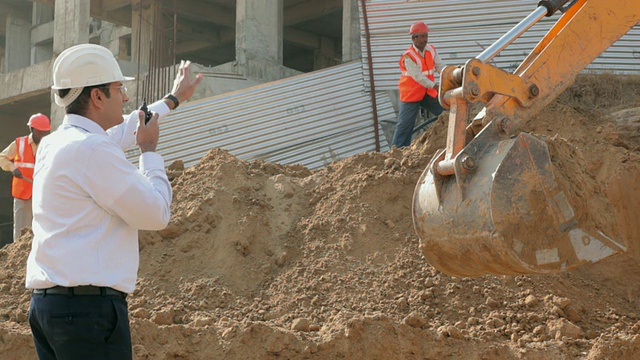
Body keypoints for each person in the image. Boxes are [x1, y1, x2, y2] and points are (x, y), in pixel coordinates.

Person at [26, 43, 202, 359]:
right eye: (119, 89)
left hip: (48, 308)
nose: (125, 98)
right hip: (86, 314)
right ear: (96, 97)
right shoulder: (93, 150)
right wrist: (149, 152)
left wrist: (173, 100)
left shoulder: (57, 143)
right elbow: (157, 214)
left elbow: (126, 127)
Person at [391, 21, 445, 148]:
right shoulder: (408, 57)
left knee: (445, 112)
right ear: (414, 38)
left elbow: (440, 67)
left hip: (427, 92)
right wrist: (435, 86)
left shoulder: (431, 50)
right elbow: (418, 77)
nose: (425, 40)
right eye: (422, 36)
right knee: (405, 125)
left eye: (426, 36)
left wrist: (449, 75)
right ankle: (397, 150)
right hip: (411, 94)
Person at [0, 113, 51, 245]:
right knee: (20, 232)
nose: (42, 135)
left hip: (41, 194)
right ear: (32, 129)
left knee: (40, 230)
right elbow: (2, 157)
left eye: (44, 132)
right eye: (40, 132)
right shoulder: (19, 143)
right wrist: (12, 168)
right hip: (22, 194)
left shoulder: (48, 145)